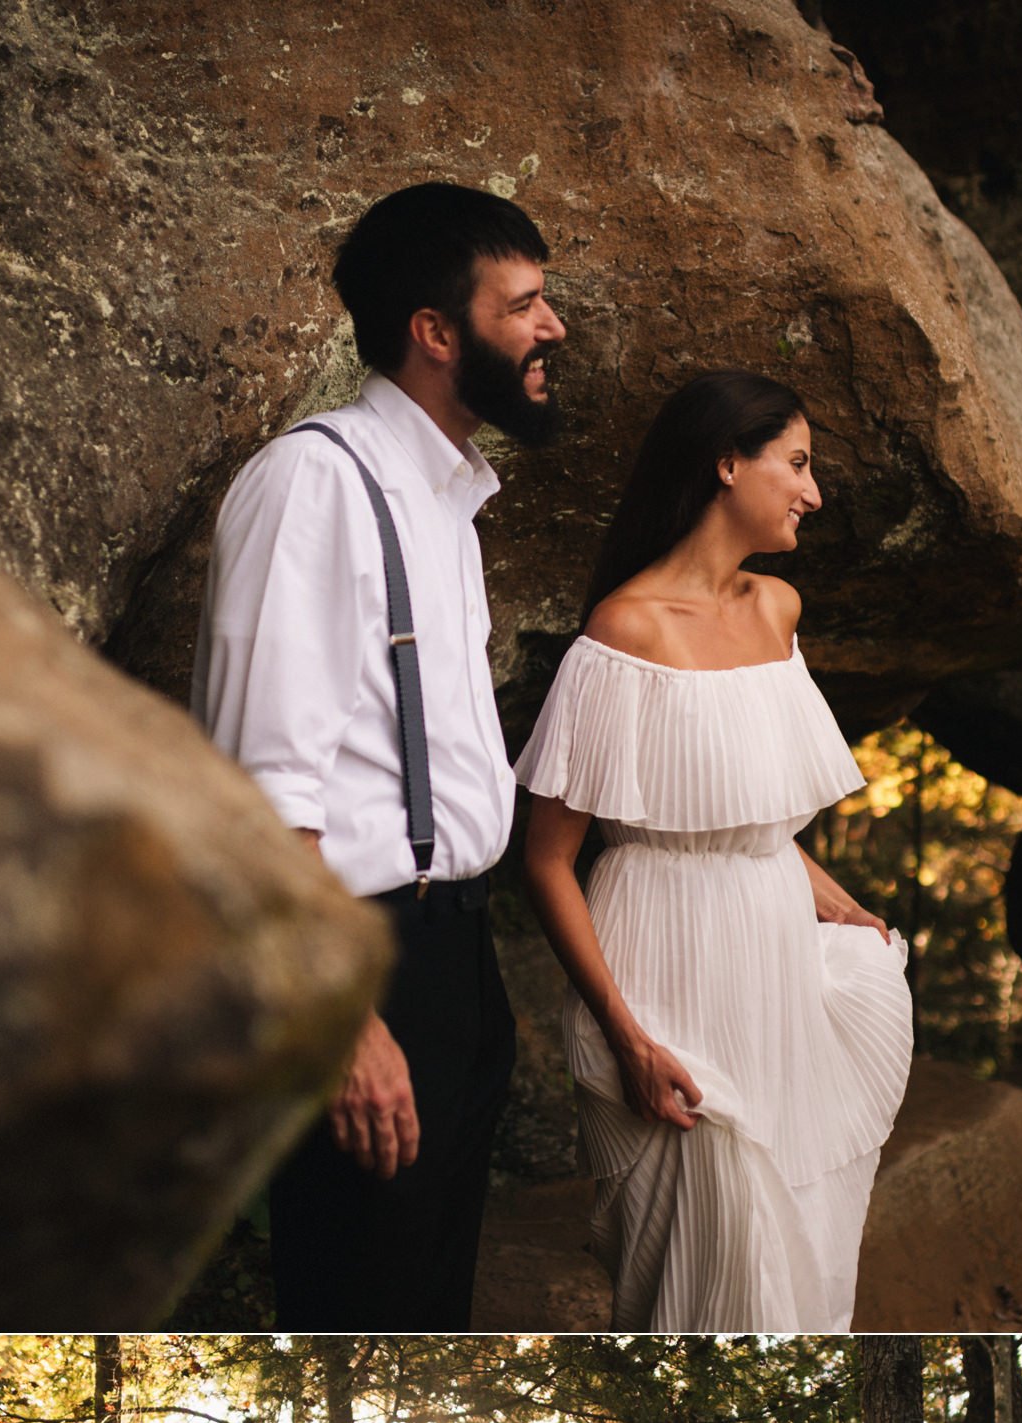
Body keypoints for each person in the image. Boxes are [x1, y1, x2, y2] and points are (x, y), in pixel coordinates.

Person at [192, 183, 567, 1326]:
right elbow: (259, 793)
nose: (552, 327)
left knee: (427, 1305)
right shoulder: (316, 483)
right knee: (362, 1313)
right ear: (435, 332)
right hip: (361, 960)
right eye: (524, 305)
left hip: (454, 961)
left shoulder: (446, 501)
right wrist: (344, 1024)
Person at [513, 375, 914, 1330]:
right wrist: (630, 1039)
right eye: (799, 463)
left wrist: (839, 902)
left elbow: (754, 818)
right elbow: (543, 861)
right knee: (700, 1260)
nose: (813, 493)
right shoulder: (625, 631)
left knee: (796, 1241)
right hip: (665, 969)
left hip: (773, 963)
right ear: (727, 463)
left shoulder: (779, 609)